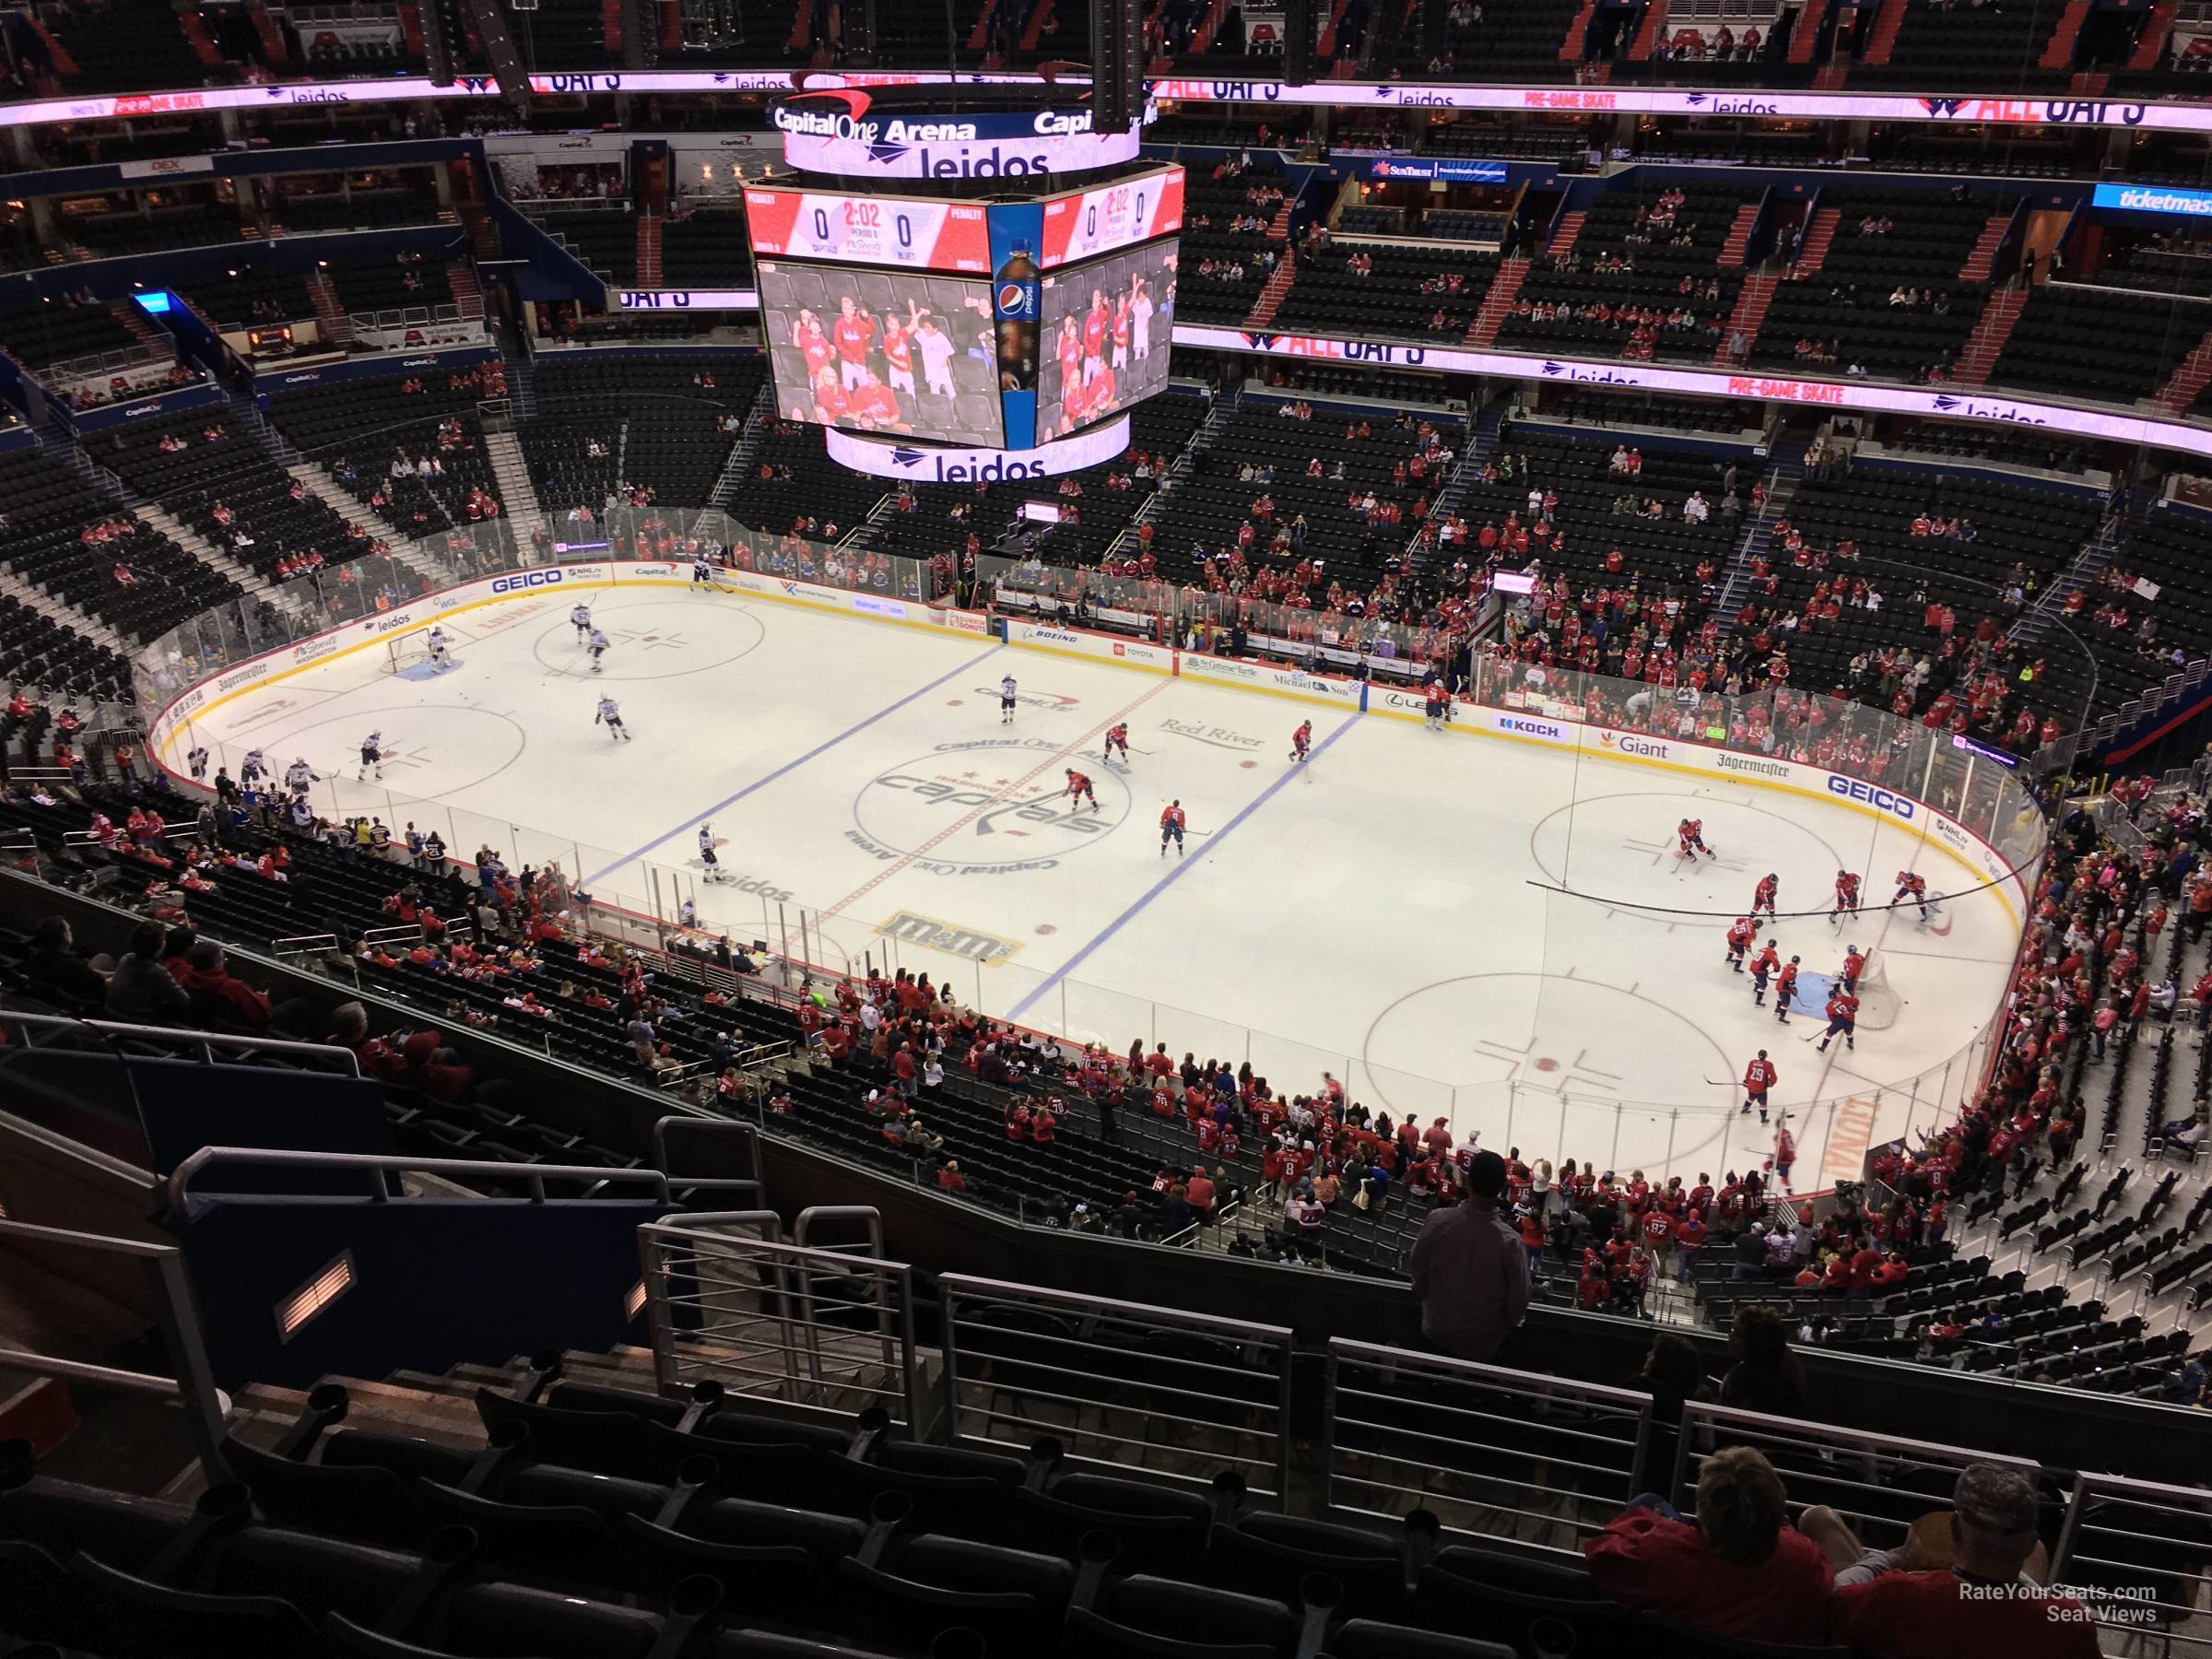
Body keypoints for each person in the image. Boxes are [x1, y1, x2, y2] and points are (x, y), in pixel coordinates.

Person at [1803, 1465, 2099, 1658]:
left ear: (1954, 1530)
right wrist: (2033, 1591)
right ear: (2029, 1543)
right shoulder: (2069, 1624)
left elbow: (1832, 1605)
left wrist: (1889, 1557)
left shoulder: (1894, 1595)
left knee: (1817, 1519)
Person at [1584, 1446, 1834, 1643]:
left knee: (1647, 1501)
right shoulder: (1804, 1561)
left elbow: (1603, 1553)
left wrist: (1653, 1522)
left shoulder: (1662, 1554)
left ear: (1703, 1511)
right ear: (1777, 1508)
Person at [1407, 1149, 1531, 1363]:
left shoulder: (1437, 1221)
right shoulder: (1510, 1242)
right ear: (1502, 1188)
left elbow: (1417, 1267)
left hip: (1435, 1332)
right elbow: (1519, 1300)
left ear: (1466, 1181)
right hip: (1484, 1347)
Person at [1719, 1303, 1806, 1417]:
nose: (1730, 1335)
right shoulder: (1785, 1366)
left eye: (1736, 1331)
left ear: (1753, 1344)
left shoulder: (1741, 1376)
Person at [105, 920, 189, 1021]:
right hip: (135, 1023)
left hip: (109, 1014)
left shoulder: (125, 958)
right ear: (160, 946)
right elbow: (184, 1000)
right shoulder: (158, 971)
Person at [25, 916, 107, 1008]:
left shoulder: (35, 958)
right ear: (65, 937)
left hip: (50, 1002)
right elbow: (101, 983)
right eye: (68, 930)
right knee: (105, 959)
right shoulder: (75, 967)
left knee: (103, 958)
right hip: (83, 1003)